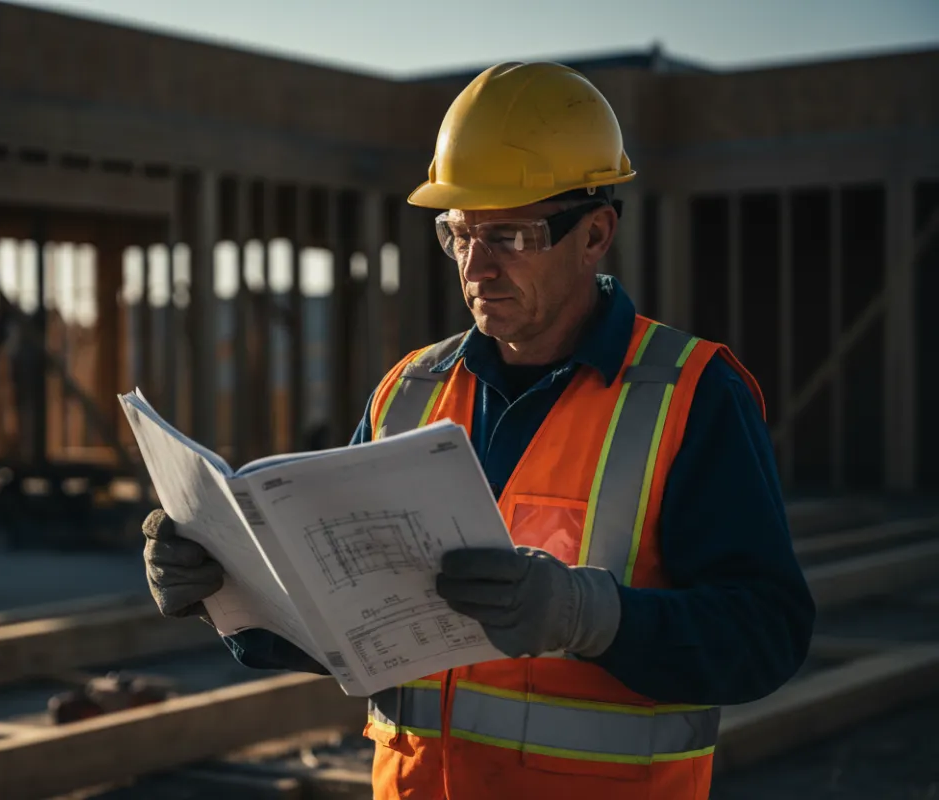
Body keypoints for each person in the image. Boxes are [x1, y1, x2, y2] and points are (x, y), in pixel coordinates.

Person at [140, 61, 815, 800]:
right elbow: (355, 626)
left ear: (595, 234)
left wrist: (588, 615)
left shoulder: (690, 395)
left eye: (509, 236)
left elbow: (767, 636)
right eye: (457, 233)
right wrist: (228, 593)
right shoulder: (408, 392)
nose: (475, 266)